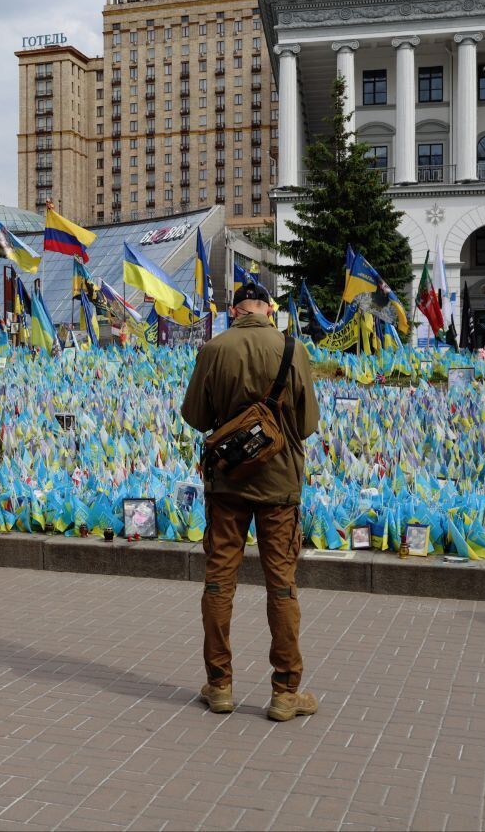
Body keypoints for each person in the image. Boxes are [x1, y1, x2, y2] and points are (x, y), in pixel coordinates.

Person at [180, 282, 320, 722]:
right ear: (266, 309)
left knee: (219, 581)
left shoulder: (214, 349)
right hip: (279, 486)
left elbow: (197, 417)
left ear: (233, 311)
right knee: (281, 584)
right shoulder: (291, 348)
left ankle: (219, 685)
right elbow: (308, 422)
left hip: (227, 484)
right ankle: (284, 692)